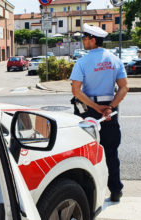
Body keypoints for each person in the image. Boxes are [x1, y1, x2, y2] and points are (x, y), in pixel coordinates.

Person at [69, 23, 129, 202]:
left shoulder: (82, 62)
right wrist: (110, 107)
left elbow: (76, 91)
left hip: (88, 111)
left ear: (92, 40)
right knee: (111, 152)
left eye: (84, 38)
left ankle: (89, 193)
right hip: (110, 111)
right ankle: (116, 190)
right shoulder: (114, 60)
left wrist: (96, 108)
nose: (83, 42)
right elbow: (124, 87)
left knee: (86, 152)